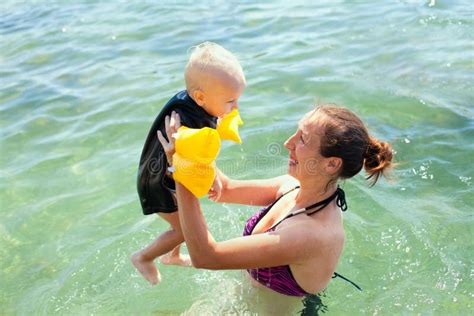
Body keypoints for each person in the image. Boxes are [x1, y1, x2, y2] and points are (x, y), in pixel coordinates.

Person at [158, 105, 393, 296]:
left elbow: (206, 256)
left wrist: (180, 167)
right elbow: (225, 189)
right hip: (245, 298)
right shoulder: (292, 187)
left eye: (303, 139)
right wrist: (194, 139)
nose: (288, 143)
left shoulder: (313, 233)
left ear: (331, 163)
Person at [132, 42, 246, 285]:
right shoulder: (186, 121)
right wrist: (212, 176)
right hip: (156, 183)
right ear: (200, 97)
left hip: (166, 175)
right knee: (185, 229)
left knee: (186, 217)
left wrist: (212, 173)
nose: (235, 107)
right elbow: (191, 158)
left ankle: (172, 257)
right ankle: (144, 257)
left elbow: (199, 154)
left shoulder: (198, 106)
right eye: (230, 101)